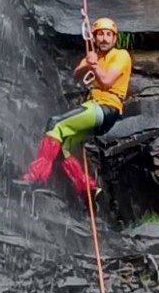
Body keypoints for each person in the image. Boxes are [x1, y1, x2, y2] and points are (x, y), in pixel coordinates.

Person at [23, 17, 132, 200]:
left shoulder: (121, 55)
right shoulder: (94, 56)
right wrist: (89, 63)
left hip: (105, 108)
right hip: (97, 111)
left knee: (55, 124)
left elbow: (106, 81)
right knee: (66, 145)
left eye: (108, 35)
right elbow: (77, 74)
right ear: (95, 38)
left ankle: (38, 176)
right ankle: (87, 187)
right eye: (100, 35)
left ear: (114, 39)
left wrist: (94, 66)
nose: (104, 39)